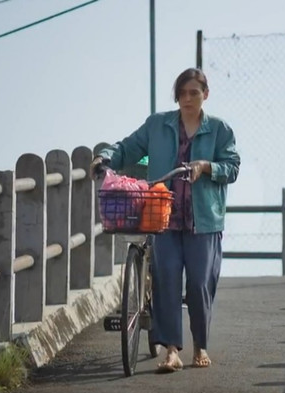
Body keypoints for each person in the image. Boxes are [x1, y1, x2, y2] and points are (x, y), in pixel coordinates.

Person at [90, 67, 240, 373]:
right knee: (167, 280)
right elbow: (127, 148)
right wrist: (104, 156)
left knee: (199, 284)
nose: (187, 98)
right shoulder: (158, 125)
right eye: (182, 93)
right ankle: (171, 350)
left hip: (204, 221)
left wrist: (207, 167)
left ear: (205, 95)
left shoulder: (220, 129)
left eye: (194, 92)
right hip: (162, 216)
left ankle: (200, 346)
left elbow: (233, 167)